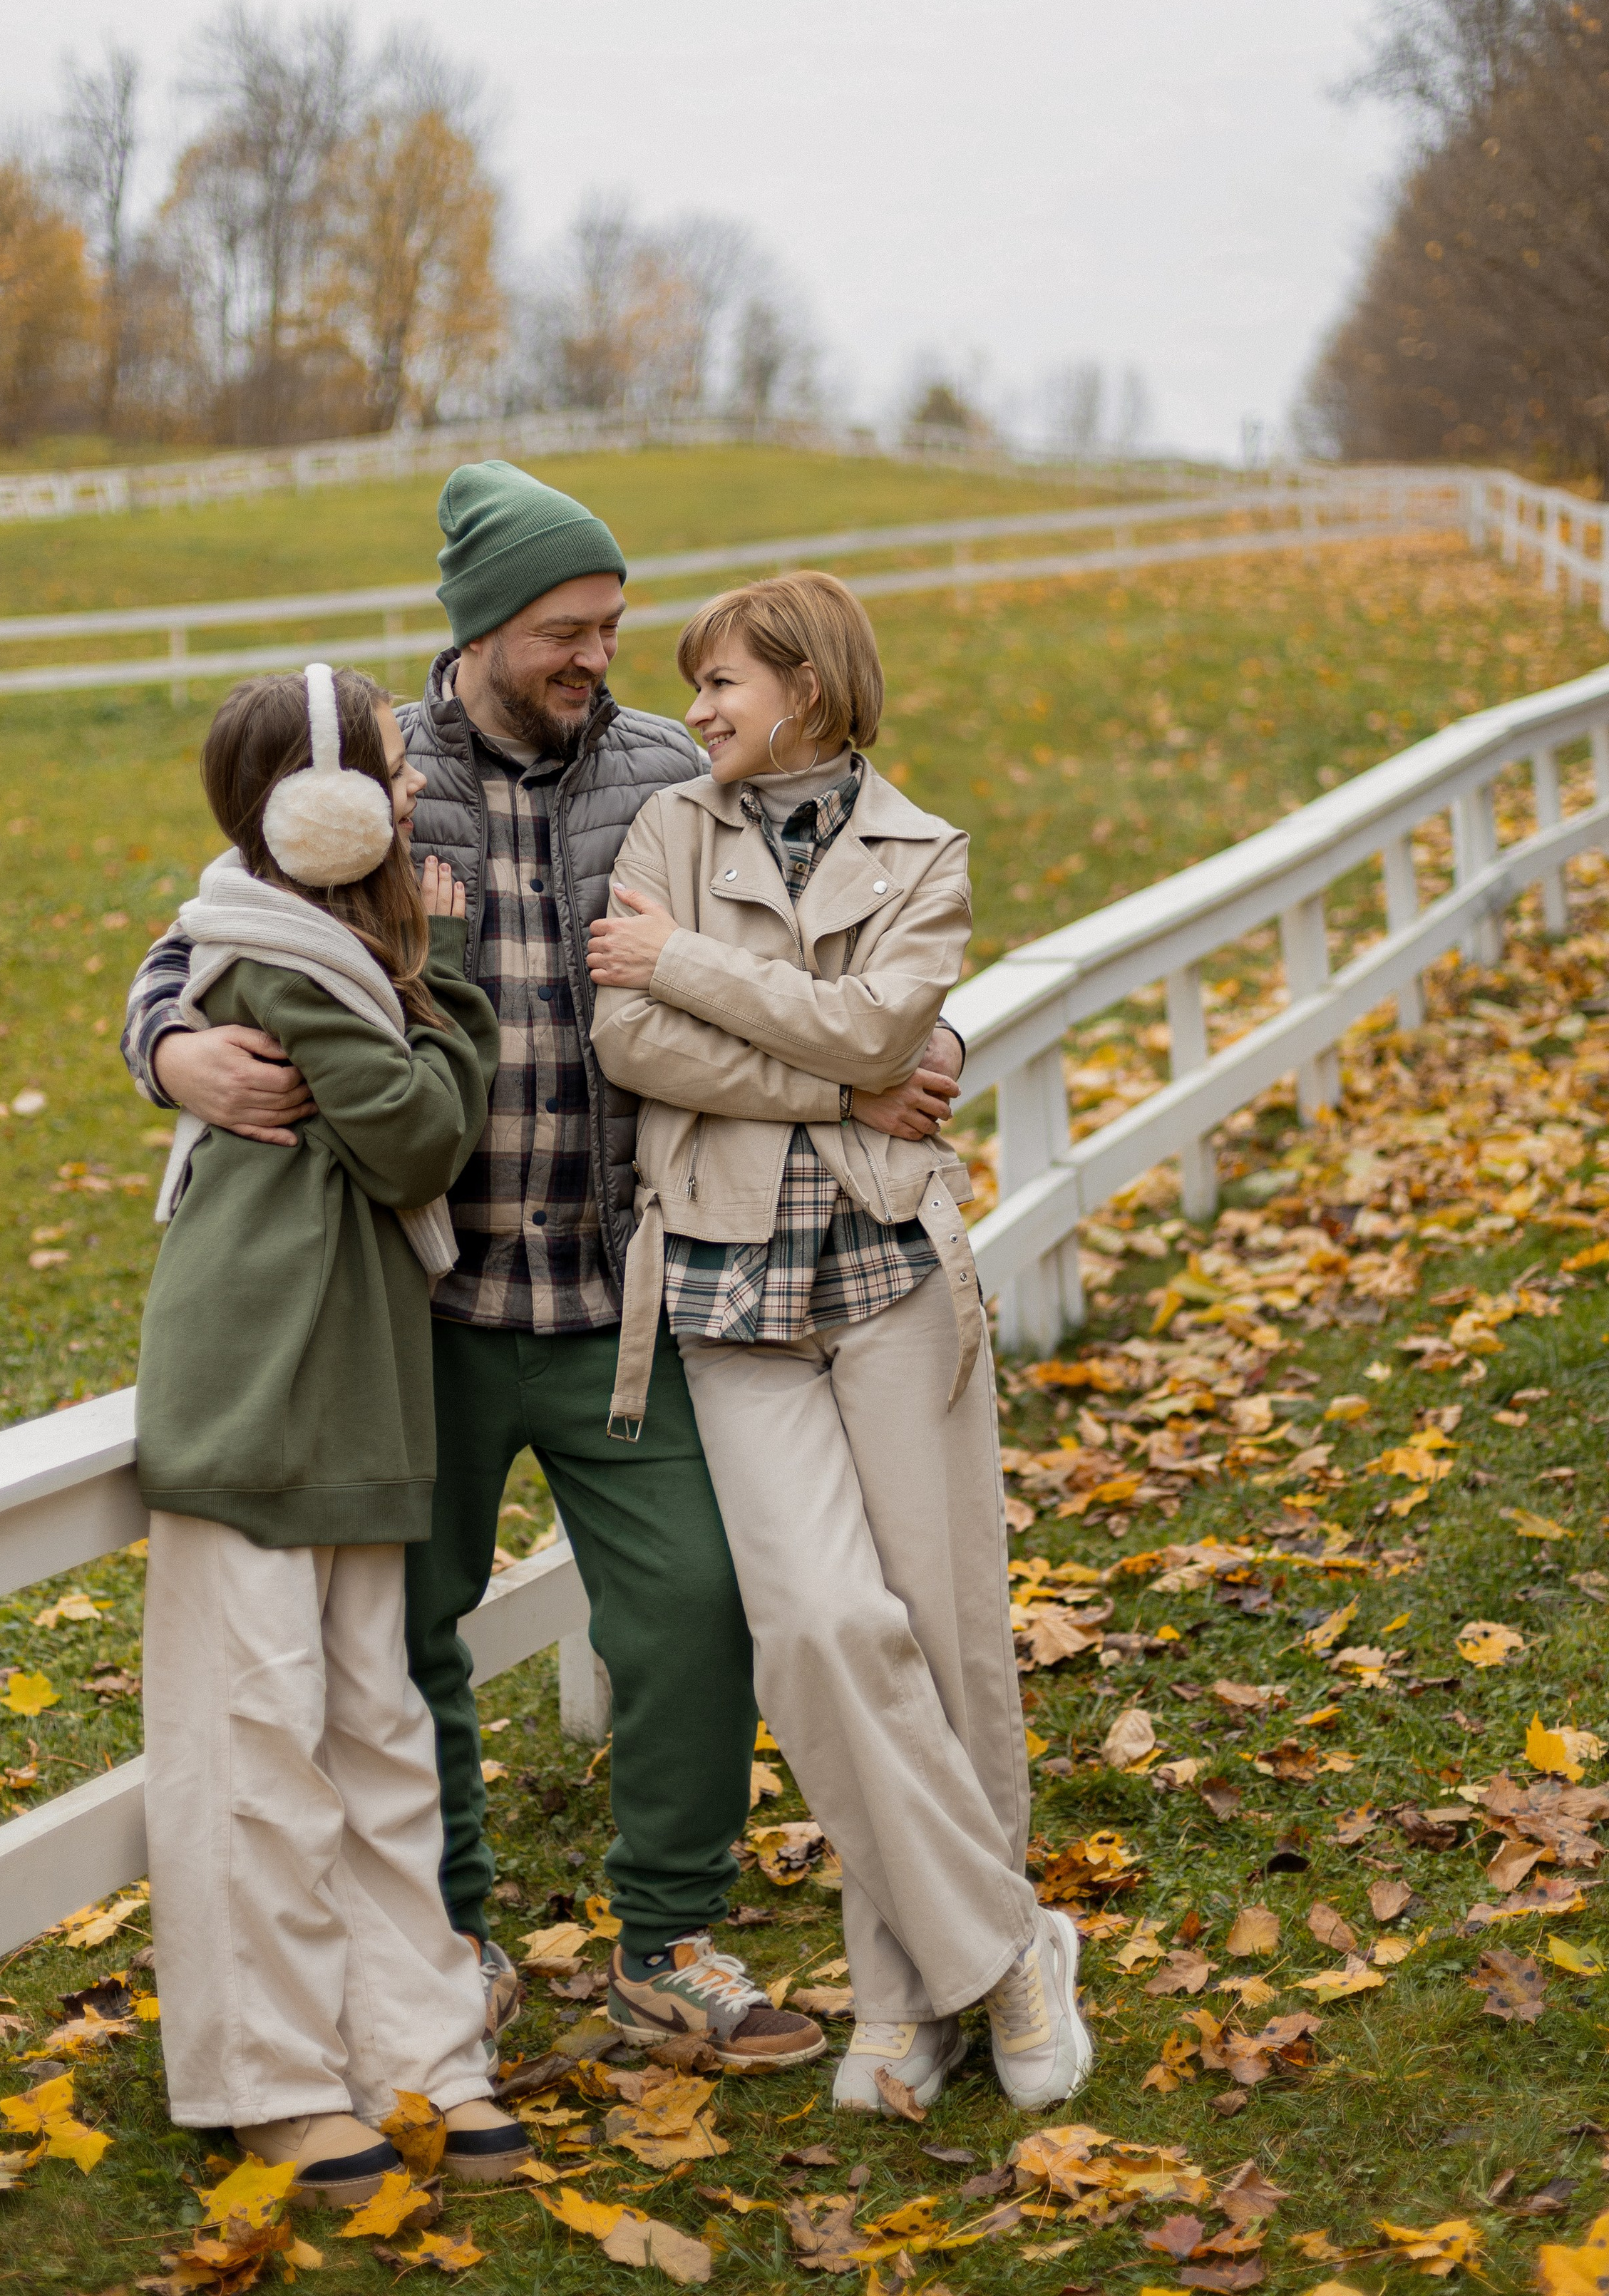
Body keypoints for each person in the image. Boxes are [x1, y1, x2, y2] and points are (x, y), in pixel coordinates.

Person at [123, 460, 961, 2065]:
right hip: (421, 1308)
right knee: (405, 1634)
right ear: (484, 627)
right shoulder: (373, 778)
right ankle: (449, 1944)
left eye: (612, 623)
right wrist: (169, 1049)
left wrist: (925, 1047)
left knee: (695, 1606)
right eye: (568, 628)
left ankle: (669, 1943)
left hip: (627, 1297)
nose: (599, 654)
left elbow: (841, 932)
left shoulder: (669, 773)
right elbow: (202, 935)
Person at [587, 571, 1092, 2116]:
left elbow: (888, 1031)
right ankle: (1007, 1950)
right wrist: (834, 1083)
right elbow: (630, 1041)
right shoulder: (665, 830)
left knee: (940, 1637)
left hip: (891, 1273)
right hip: (723, 1285)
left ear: (805, 685)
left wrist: (691, 967)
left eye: (722, 682)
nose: (696, 709)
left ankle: (901, 2000)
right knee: (816, 1626)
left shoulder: (922, 850)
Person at [135, 661, 530, 2204]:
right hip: (259, 1392)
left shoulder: (339, 953)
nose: (412, 788)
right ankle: (277, 2082)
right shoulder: (281, 961)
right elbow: (420, 1138)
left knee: (377, 1740)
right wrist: (457, 985)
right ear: (318, 811)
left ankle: (420, 2054)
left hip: (355, 1386)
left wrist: (418, 972)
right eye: (386, 769)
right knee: (257, 1751)